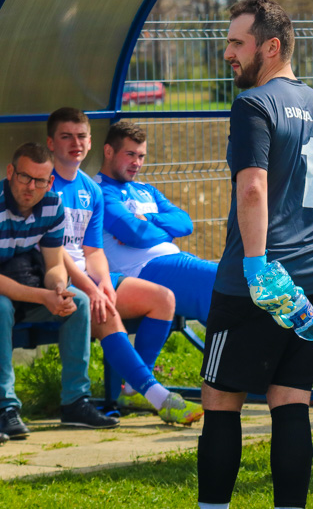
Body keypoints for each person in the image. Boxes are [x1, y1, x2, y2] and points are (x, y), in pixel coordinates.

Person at [197, 0, 313, 509]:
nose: (227, 53)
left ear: (272, 46)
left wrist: (259, 266)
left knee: (221, 402)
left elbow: (253, 189)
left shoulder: (253, 105)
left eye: (238, 43)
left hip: (257, 282)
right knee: (291, 402)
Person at [46, 107, 203, 425]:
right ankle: (159, 398)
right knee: (105, 310)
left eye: (81, 136)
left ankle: (135, 388)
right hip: (55, 278)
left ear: (90, 142)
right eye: (66, 136)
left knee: (163, 299)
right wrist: (93, 287)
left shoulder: (89, 190)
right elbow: (54, 251)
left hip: (89, 276)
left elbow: (93, 250)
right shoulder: (46, 185)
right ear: (51, 143)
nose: (75, 143)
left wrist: (103, 281)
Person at [0, 143, 118, 437]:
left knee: (75, 302)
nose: (31, 187)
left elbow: (54, 264)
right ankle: (5, 407)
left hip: (27, 280)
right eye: (25, 177)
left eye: (40, 180)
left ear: (50, 182)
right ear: (10, 172)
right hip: (7, 291)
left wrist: (57, 290)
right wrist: (44, 297)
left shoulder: (53, 204)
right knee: (0, 307)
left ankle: (76, 403)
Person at [95, 121, 217, 325]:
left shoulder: (146, 190)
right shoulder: (99, 189)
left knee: (226, 292)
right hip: (138, 272)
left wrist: (150, 219)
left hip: (170, 262)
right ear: (108, 151)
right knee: (220, 281)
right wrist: (168, 231)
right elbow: (135, 234)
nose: (137, 163)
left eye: (141, 156)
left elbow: (185, 223)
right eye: (130, 154)